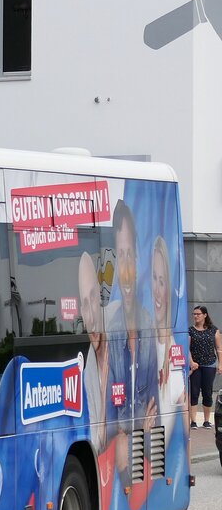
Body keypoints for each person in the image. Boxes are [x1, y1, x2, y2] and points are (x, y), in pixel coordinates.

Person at [104, 200, 158, 484]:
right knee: (122, 450)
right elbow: (110, 419)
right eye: (120, 256)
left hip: (143, 447)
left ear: (137, 262)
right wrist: (137, 424)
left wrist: (134, 426)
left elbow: (155, 409)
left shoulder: (147, 324)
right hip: (126, 447)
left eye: (130, 256)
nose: (125, 269)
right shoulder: (110, 330)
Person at [150, 238, 188, 440]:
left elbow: (183, 433)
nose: (157, 289)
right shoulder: (143, 342)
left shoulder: (174, 347)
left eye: (162, 281)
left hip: (160, 457)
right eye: (154, 279)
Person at [78, 252, 109, 451]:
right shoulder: (87, 369)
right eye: (84, 304)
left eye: (93, 298)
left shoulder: (122, 350)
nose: (91, 316)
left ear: (101, 299)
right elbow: (96, 443)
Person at [188, 304, 222, 427]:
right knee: (194, 392)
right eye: (194, 314)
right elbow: (187, 349)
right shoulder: (190, 330)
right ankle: (193, 421)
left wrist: (220, 364)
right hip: (195, 366)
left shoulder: (214, 330)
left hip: (210, 365)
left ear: (205, 315)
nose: (196, 316)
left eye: (198, 314)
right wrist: (191, 362)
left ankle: (207, 420)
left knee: (207, 392)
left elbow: (219, 348)